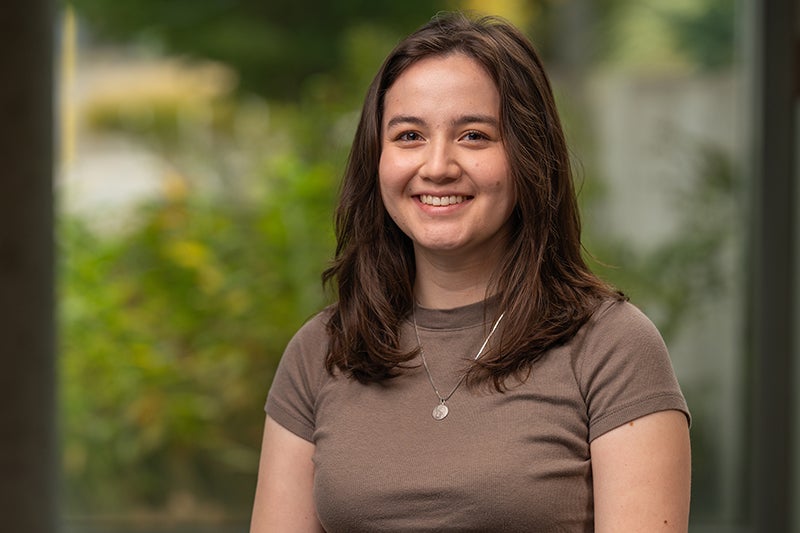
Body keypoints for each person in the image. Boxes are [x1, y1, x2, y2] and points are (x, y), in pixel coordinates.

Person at [250, 12, 691, 533]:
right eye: (409, 135)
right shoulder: (321, 350)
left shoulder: (611, 347)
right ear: (377, 158)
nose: (437, 166)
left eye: (474, 136)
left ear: (529, 155)